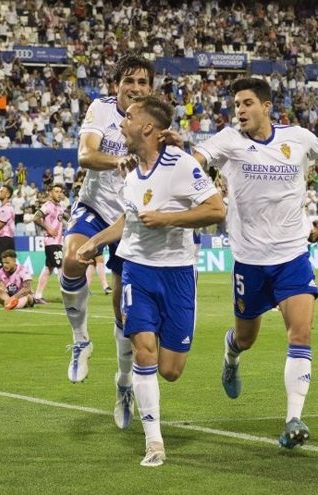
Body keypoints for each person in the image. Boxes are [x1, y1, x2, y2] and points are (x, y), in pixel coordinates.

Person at [169, 77, 318, 449]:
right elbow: (197, 161)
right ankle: (231, 354)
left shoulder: (300, 139)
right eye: (236, 104)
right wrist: (179, 155)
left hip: (293, 255)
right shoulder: (228, 140)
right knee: (246, 338)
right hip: (250, 260)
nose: (240, 110)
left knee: (300, 334)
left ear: (267, 106)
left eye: (247, 103)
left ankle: (293, 419)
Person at [77, 95, 225, 467]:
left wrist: (169, 219)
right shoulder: (128, 173)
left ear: (147, 127)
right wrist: (95, 241)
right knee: (143, 349)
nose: (121, 123)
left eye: (128, 118)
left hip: (177, 274)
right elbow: (129, 219)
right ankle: (154, 443)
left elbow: (216, 209)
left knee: (170, 370)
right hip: (137, 271)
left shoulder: (180, 164)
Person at [61, 55, 154, 430]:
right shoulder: (99, 109)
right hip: (95, 207)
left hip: (130, 222)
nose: (136, 88)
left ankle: (123, 383)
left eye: (143, 82)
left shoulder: (155, 120)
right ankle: (81, 340)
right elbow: (85, 155)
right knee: (71, 260)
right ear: (116, 83)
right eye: (129, 80)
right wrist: (117, 160)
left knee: (122, 314)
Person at [33, 184, 67, 303]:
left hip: (58, 242)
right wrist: (48, 229)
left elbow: (65, 217)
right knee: (61, 266)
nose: (59, 194)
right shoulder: (47, 206)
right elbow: (36, 217)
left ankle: (37, 295)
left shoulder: (60, 206)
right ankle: (67, 295)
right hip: (52, 242)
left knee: (48, 268)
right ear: (50, 193)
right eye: (56, 191)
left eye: (60, 191)